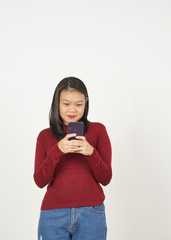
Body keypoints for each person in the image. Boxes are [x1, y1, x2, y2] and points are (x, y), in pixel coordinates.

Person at [34, 77, 112, 240]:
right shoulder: (45, 136)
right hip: (53, 215)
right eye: (66, 103)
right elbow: (40, 180)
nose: (72, 110)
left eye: (79, 104)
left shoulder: (98, 130)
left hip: (91, 213)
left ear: (86, 102)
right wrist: (58, 150)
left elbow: (106, 178)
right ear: (57, 102)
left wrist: (91, 153)